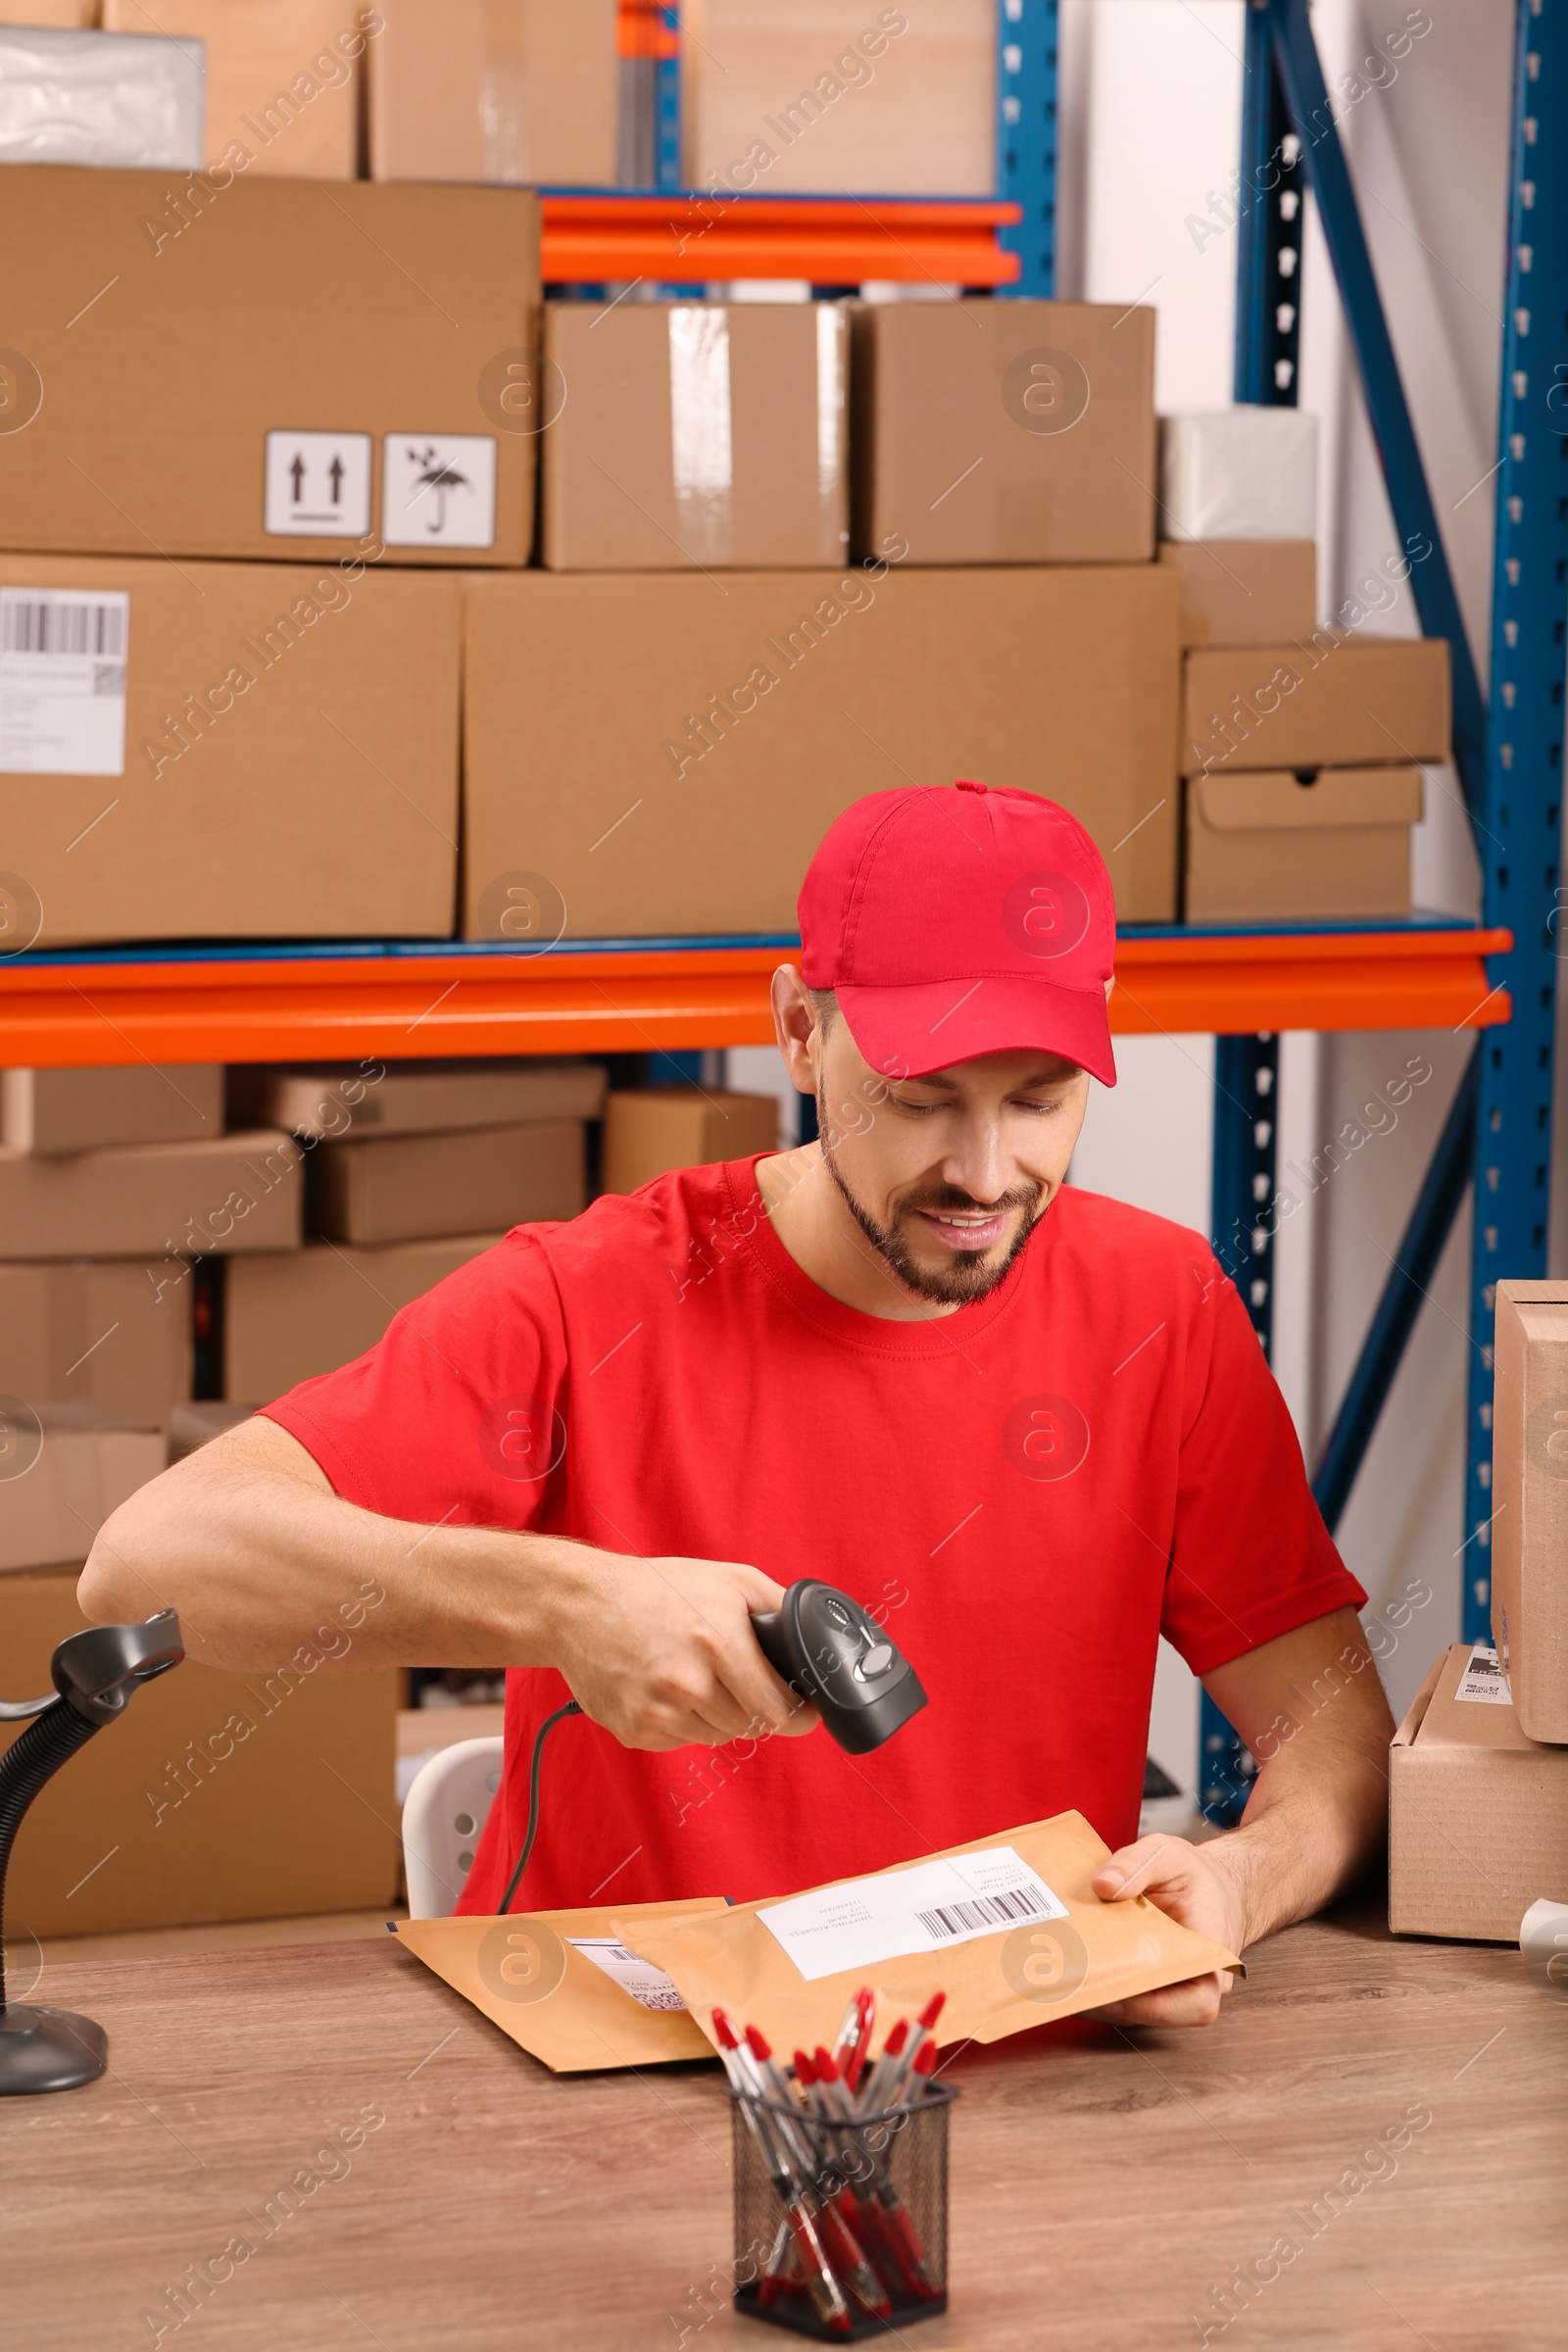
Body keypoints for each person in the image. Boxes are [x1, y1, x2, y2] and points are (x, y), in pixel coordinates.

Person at [83, 783, 1393, 2027]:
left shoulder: (1158, 1310)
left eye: (1040, 1102)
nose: (985, 1174)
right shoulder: (586, 1297)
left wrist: (1237, 1884)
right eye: (922, 1100)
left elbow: (1339, 1739)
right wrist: (567, 1603)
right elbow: (146, 1567)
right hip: (618, 2102)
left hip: (1013, 2088)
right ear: (798, 1029)